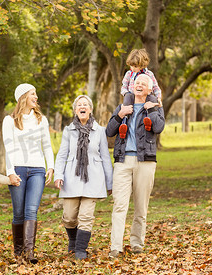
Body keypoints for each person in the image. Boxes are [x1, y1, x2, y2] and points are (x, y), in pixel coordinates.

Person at [106, 74, 165, 258]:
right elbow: (109, 131)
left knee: (141, 206)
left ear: (149, 90)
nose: (139, 85)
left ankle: (137, 243)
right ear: (132, 87)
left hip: (145, 161)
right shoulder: (124, 106)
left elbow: (158, 127)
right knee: (119, 205)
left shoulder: (155, 106)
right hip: (123, 161)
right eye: (137, 83)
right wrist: (119, 115)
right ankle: (116, 246)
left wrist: (153, 110)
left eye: (143, 84)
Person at [54, 95, 113, 259]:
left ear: (90, 109)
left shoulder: (99, 130)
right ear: (75, 110)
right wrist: (58, 175)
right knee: (69, 217)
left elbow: (106, 157)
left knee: (86, 216)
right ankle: (73, 242)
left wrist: (110, 182)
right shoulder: (68, 130)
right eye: (79, 104)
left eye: (85, 104)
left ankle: (80, 250)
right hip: (72, 177)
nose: (83, 107)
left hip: (93, 177)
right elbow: (62, 155)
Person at [2, 83, 55, 264]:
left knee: (31, 210)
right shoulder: (9, 121)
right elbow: (8, 149)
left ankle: (29, 252)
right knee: (18, 212)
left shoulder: (41, 119)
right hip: (17, 169)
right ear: (23, 97)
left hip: (37, 169)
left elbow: (47, 145)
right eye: (33, 93)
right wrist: (10, 172)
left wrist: (51, 166)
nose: (36, 97)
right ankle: (18, 252)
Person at [119, 49, 162, 139]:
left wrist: (158, 97)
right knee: (127, 98)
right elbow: (124, 87)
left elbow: (155, 87)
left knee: (152, 100)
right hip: (131, 96)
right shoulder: (129, 74)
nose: (132, 68)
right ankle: (124, 124)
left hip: (145, 95)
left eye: (135, 66)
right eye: (131, 66)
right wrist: (126, 93)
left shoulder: (149, 74)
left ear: (142, 65)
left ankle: (148, 122)